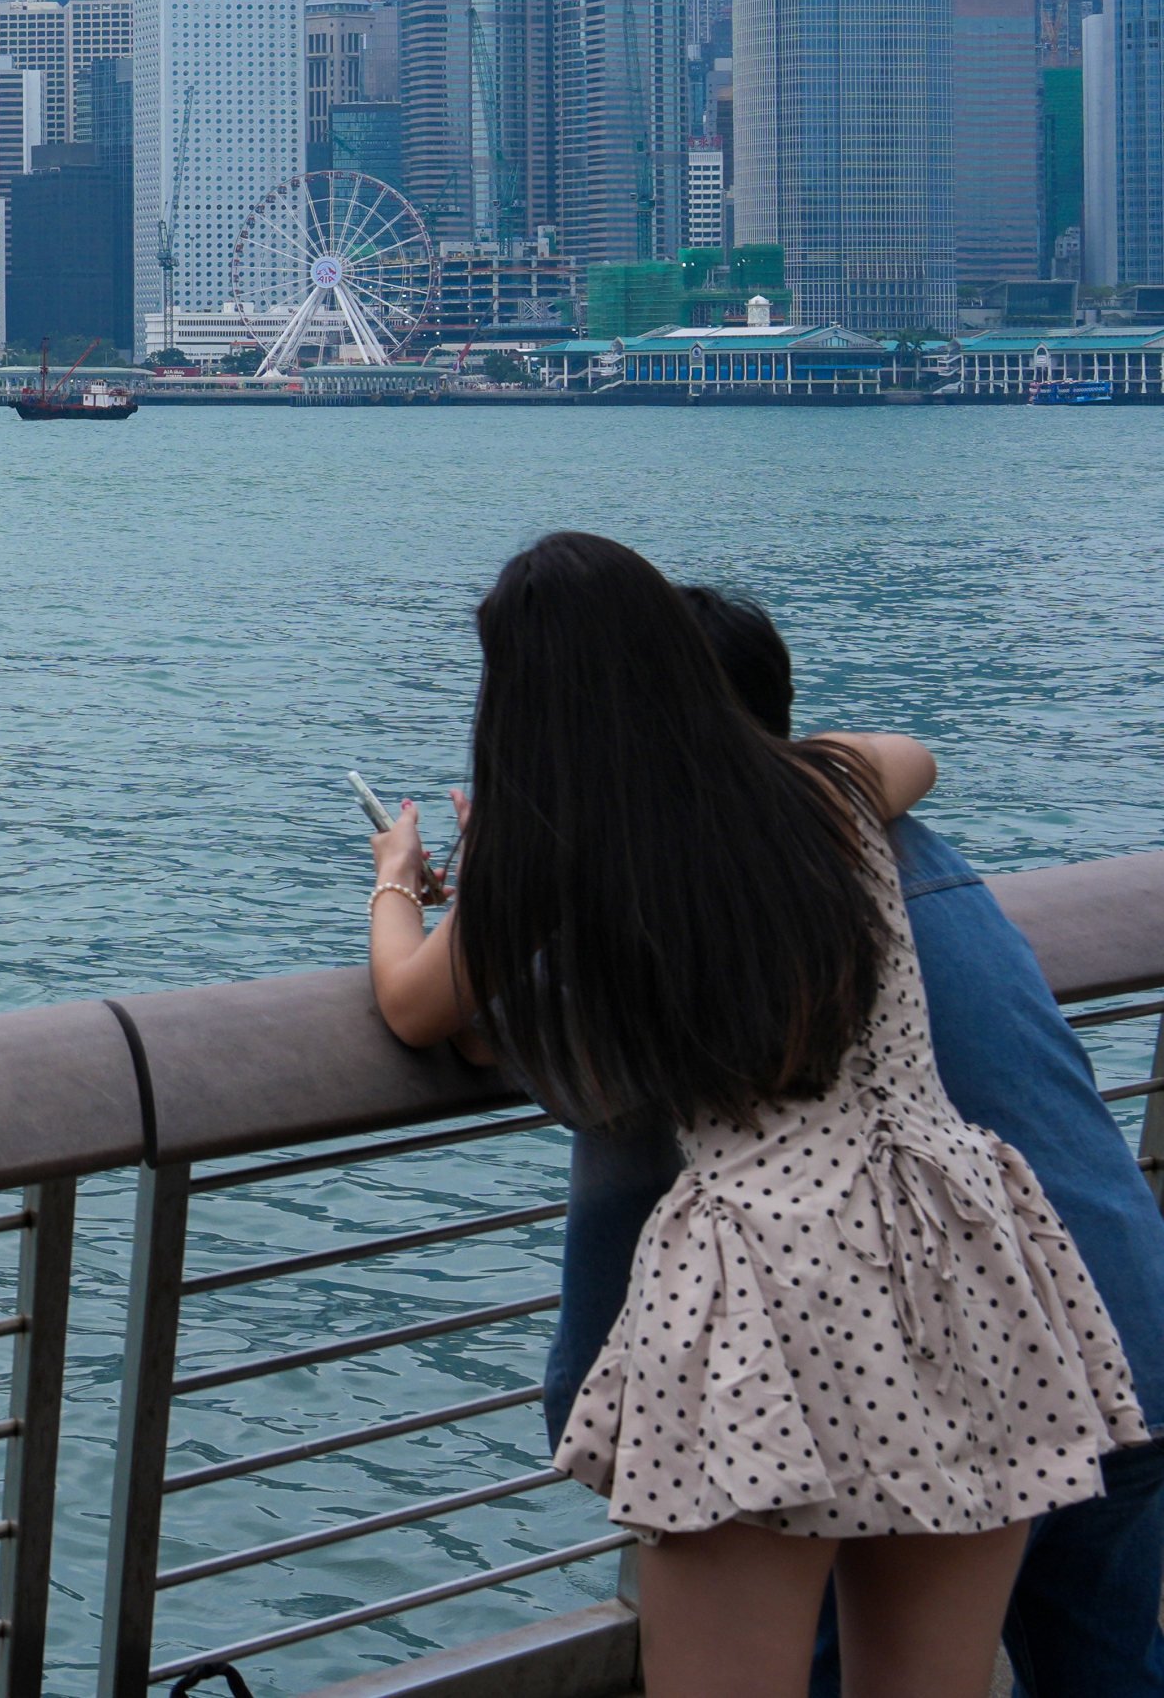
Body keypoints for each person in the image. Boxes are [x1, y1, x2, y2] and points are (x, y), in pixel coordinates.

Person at [367, 532, 1144, 1698]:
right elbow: (913, 755)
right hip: (971, 1251)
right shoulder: (830, 787)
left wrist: (401, 877)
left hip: (771, 1289)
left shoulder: (574, 852)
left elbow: (417, 1007)